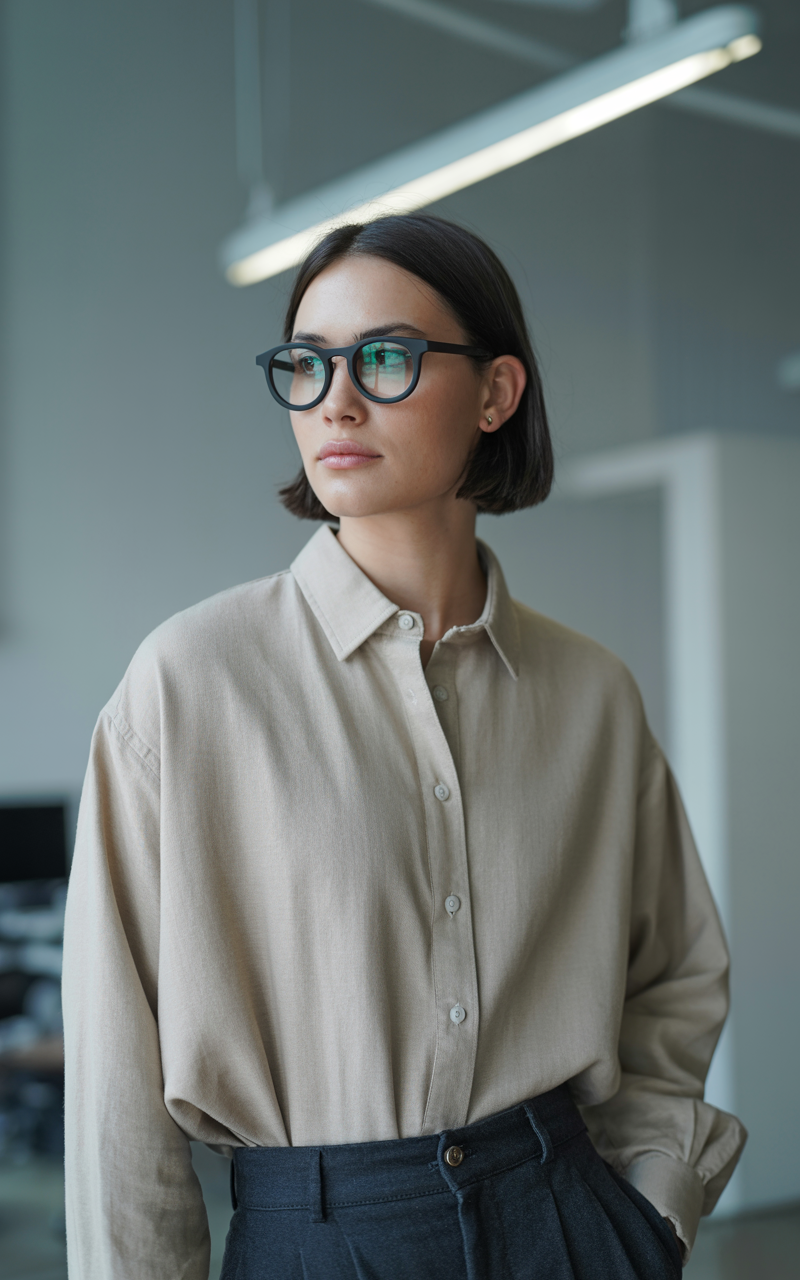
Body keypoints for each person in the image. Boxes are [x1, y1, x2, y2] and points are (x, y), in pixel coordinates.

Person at [63, 213, 745, 1279]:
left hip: (563, 1222)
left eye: (383, 357)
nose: (333, 398)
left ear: (495, 393)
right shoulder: (187, 683)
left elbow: (673, 977)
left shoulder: (590, 694)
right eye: (305, 362)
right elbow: (116, 1087)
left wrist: (648, 1208)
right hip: (314, 1238)